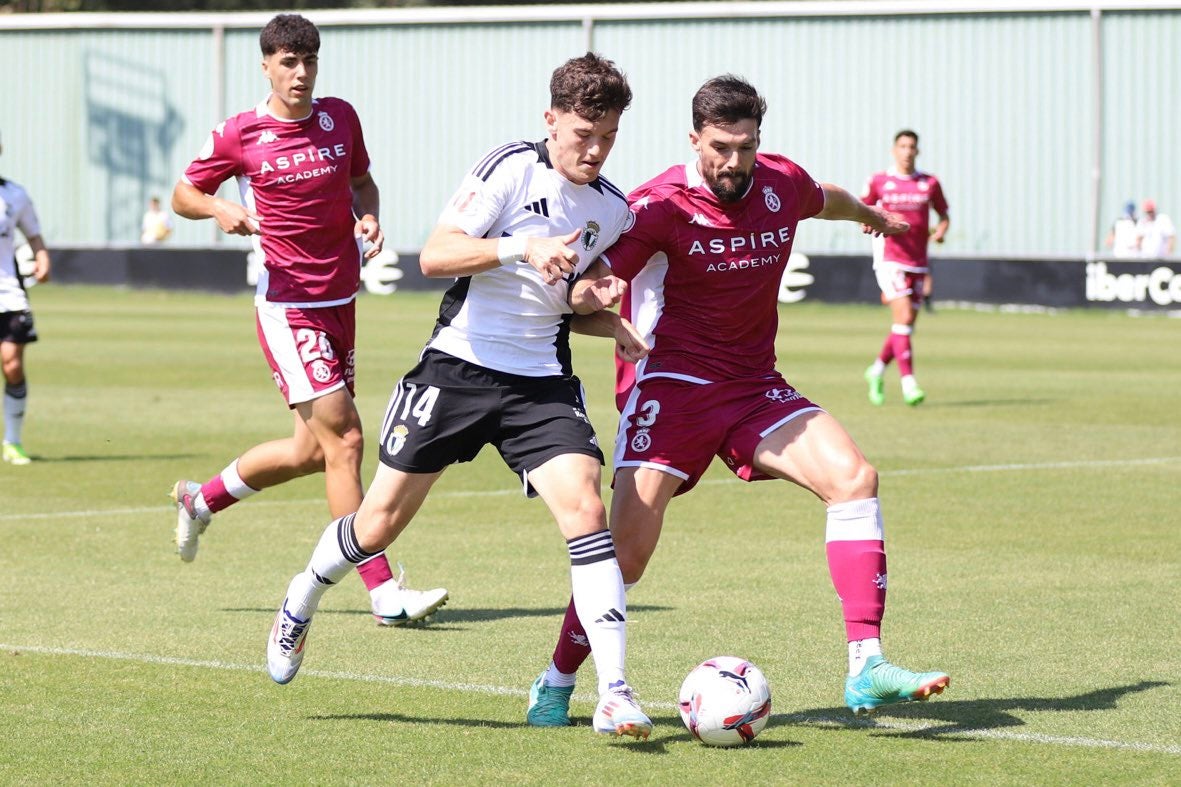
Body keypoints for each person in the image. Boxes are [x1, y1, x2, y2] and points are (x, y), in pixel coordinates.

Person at [526, 75, 950, 727]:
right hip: (670, 390)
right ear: (693, 139)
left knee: (854, 478)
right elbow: (597, 281)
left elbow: (823, 198)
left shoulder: (779, 182)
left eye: (745, 147)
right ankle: (556, 680)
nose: (732, 161)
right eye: (719, 147)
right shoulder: (660, 206)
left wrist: (872, 217)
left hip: (754, 385)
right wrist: (600, 303)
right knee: (626, 556)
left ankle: (865, 664)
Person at [264, 52, 655, 740]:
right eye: (581, 135)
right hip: (457, 368)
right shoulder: (509, 166)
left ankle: (615, 691)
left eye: (608, 137)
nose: (593, 151)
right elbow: (436, 255)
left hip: (538, 380)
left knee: (587, 506)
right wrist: (520, 247)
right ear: (551, 120)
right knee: (377, 523)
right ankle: (304, 594)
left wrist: (604, 315)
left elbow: (570, 299)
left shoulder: (613, 211)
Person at [169, 13, 447, 626]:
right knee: (346, 439)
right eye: (288, 62)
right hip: (288, 306)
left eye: (309, 61)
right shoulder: (241, 133)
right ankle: (382, 593)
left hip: (340, 302)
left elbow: (363, 183)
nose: (300, 73)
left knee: (311, 451)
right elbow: (182, 194)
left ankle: (200, 499)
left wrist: (369, 216)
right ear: (266, 65)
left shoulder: (340, 118)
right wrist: (218, 207)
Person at [861, 130, 949, 407]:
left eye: (912, 146)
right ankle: (908, 383)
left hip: (918, 262)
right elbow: (861, 209)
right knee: (904, 316)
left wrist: (941, 231)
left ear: (917, 151)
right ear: (894, 150)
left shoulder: (929, 183)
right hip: (889, 258)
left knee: (905, 324)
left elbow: (943, 214)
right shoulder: (879, 181)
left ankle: (875, 371)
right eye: (903, 146)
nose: (907, 151)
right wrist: (866, 220)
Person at [0, 131, 52, 466]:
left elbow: (34, 235)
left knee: (12, 363)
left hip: (8, 292)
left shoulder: (14, 195)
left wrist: (43, 258)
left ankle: (12, 440)